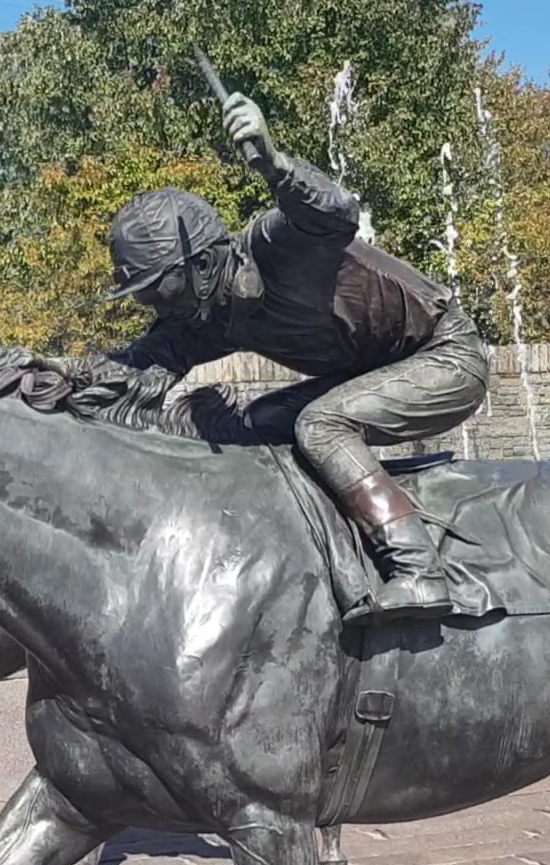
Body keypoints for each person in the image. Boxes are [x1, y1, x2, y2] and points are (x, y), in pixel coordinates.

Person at [104, 89, 491, 623]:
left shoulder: (276, 245)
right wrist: (33, 379)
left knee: (321, 425)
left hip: (446, 355)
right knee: (251, 422)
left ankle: (420, 572)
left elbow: (336, 214)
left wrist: (274, 164)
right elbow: (134, 369)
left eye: (162, 292)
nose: (159, 309)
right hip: (372, 374)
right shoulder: (210, 318)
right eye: (148, 298)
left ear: (203, 262)